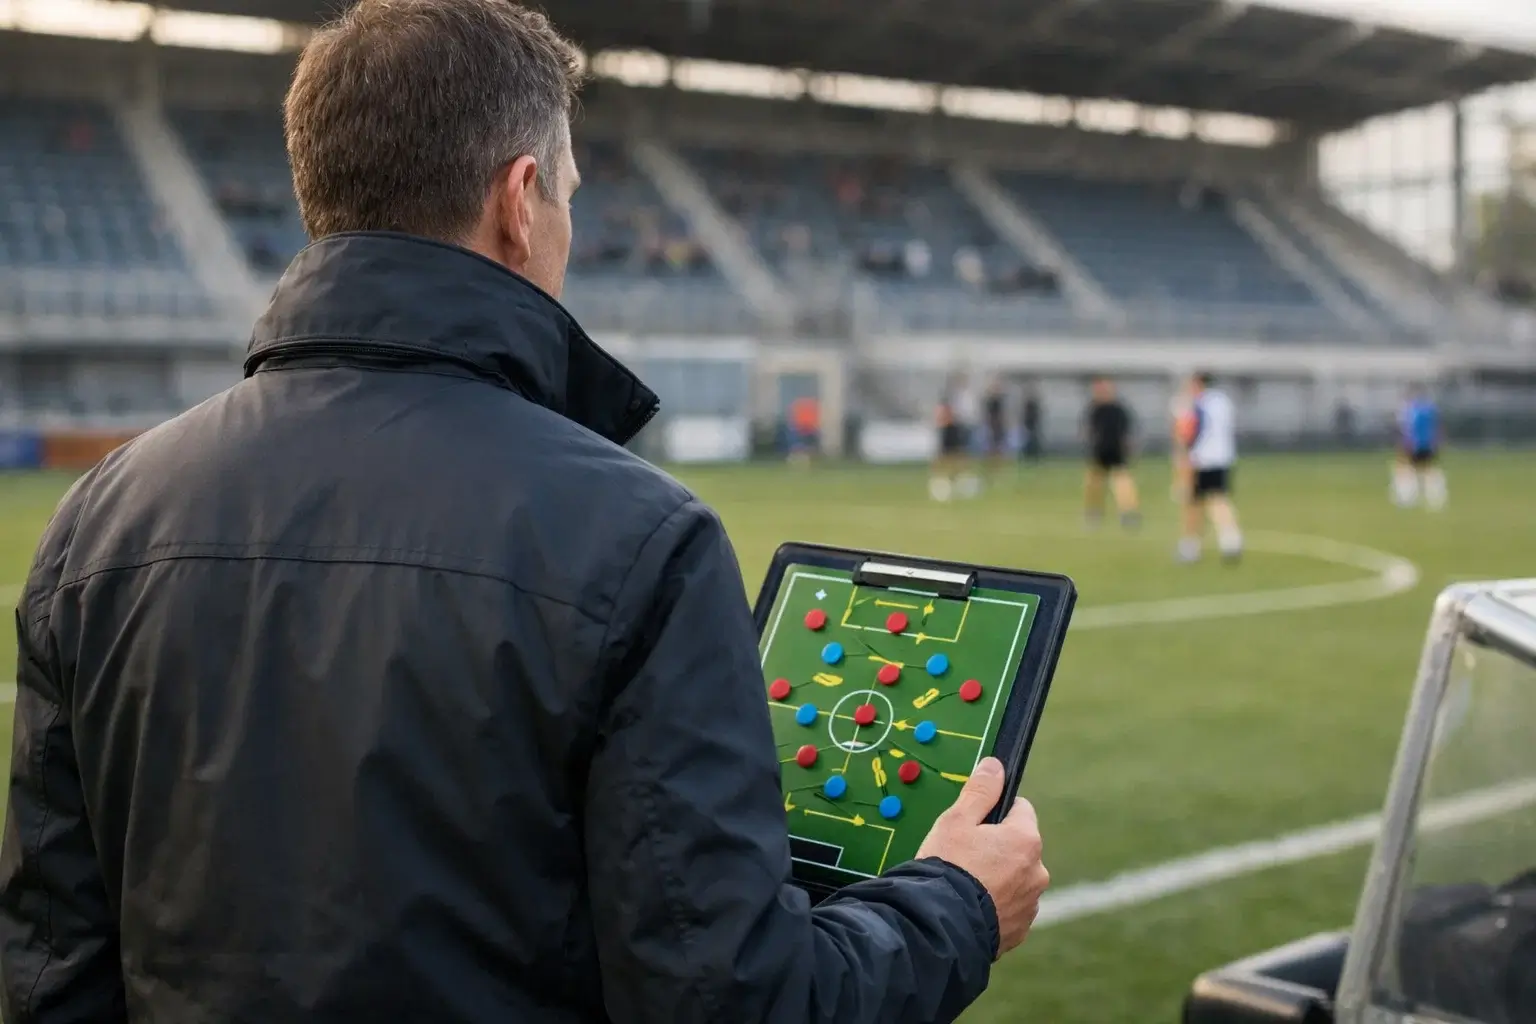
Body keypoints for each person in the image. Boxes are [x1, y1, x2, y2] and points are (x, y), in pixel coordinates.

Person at [0, 3, 1051, 1023]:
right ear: (521, 198)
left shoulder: (98, 522)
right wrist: (956, 901)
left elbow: (54, 972)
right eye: (570, 200)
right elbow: (733, 997)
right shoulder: (638, 537)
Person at [1175, 371, 1243, 563]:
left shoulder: (1198, 403)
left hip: (1201, 459)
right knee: (1219, 500)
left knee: (1193, 504)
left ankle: (1190, 547)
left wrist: (1184, 455)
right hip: (1223, 458)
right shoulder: (1224, 402)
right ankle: (1231, 539)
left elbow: (1191, 431)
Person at [1081, 376, 1140, 531]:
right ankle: (1094, 511)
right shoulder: (1095, 408)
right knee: (1094, 484)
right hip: (1100, 450)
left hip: (1116, 450)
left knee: (1122, 483)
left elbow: (1127, 432)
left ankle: (1127, 513)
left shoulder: (1118, 409)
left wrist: (1128, 447)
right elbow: (1089, 430)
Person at [1392, 384, 1447, 510]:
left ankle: (1407, 498)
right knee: (1428, 469)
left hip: (1414, 444)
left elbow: (1407, 429)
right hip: (1429, 444)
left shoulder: (1410, 409)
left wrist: (1404, 444)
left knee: (1405, 469)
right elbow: (1438, 426)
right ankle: (1436, 497)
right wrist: (1438, 441)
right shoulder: (1430, 409)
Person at [930, 373, 982, 501]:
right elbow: (941, 417)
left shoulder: (959, 398)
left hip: (954, 428)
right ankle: (942, 483)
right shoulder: (948, 400)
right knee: (946, 457)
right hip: (948, 429)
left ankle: (960, 481)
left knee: (958, 455)